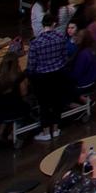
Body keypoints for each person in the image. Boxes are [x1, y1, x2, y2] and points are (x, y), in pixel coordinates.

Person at [25, 12, 75, 141]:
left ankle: (46, 131)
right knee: (57, 102)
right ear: (54, 24)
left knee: (44, 104)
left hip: (42, 78)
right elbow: (65, 58)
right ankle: (56, 128)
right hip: (58, 74)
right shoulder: (61, 38)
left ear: (43, 24)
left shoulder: (36, 43)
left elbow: (31, 65)